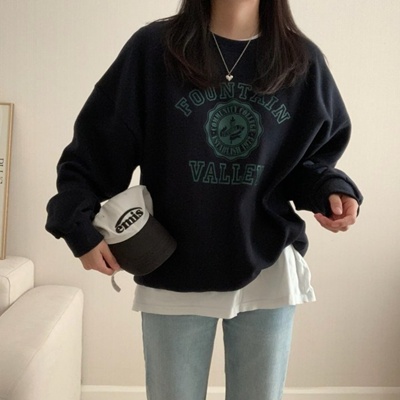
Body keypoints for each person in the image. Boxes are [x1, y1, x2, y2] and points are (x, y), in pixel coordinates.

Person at [46, 0, 363, 399]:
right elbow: (98, 147)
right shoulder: (155, 49)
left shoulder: (301, 60)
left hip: (267, 266)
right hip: (173, 266)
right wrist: (78, 225)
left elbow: (306, 163)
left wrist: (330, 191)